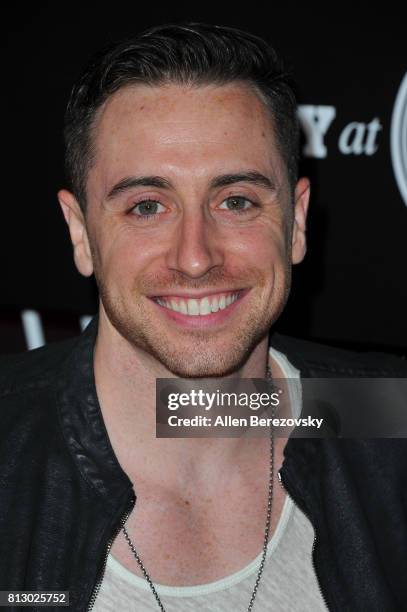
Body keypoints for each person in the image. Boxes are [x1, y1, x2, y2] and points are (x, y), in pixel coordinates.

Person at [0, 23, 406, 612]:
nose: (195, 257)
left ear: (295, 222)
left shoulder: (387, 421)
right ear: (80, 233)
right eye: (147, 206)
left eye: (236, 201)